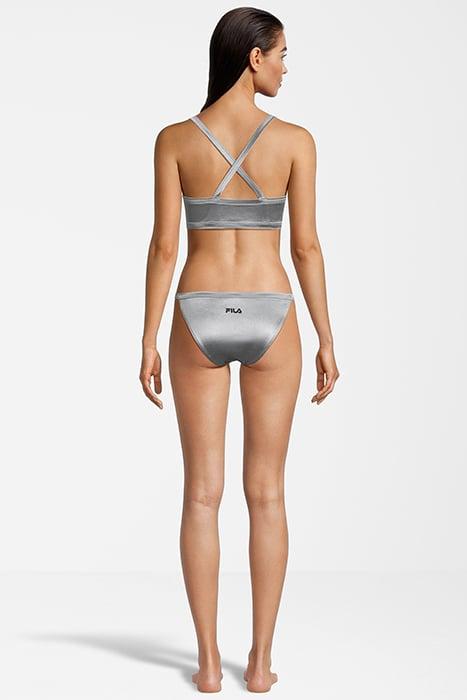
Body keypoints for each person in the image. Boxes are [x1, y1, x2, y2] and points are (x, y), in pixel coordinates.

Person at [140, 7, 339, 693]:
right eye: (281, 54)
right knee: (267, 494)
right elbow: (305, 247)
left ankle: (205, 664)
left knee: (201, 495)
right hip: (270, 314)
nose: (286, 67)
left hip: (196, 312)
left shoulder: (174, 140)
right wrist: (325, 336)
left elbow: (164, 247)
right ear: (253, 57)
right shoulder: (295, 142)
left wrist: (147, 338)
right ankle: (258, 663)